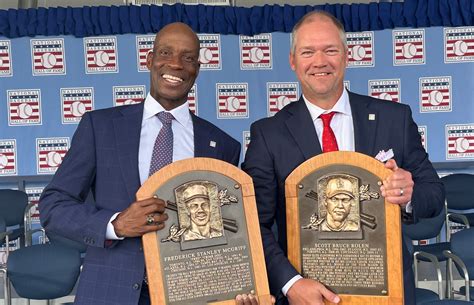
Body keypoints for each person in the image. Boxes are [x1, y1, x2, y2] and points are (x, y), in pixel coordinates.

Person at [39, 22, 256, 305]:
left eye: (188, 58)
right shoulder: (100, 127)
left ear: (197, 69)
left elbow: (225, 235)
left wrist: (238, 287)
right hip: (109, 292)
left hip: (191, 295)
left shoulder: (223, 145)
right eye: (166, 53)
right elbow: (53, 206)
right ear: (150, 60)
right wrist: (115, 224)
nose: (176, 64)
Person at [242, 11, 444, 305]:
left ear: (347, 56)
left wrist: (409, 194)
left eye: (330, 50)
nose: (320, 61)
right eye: (308, 52)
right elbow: (254, 224)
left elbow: (434, 194)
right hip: (307, 294)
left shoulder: (394, 119)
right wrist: (290, 283)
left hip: (386, 291)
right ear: (293, 61)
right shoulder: (268, 134)